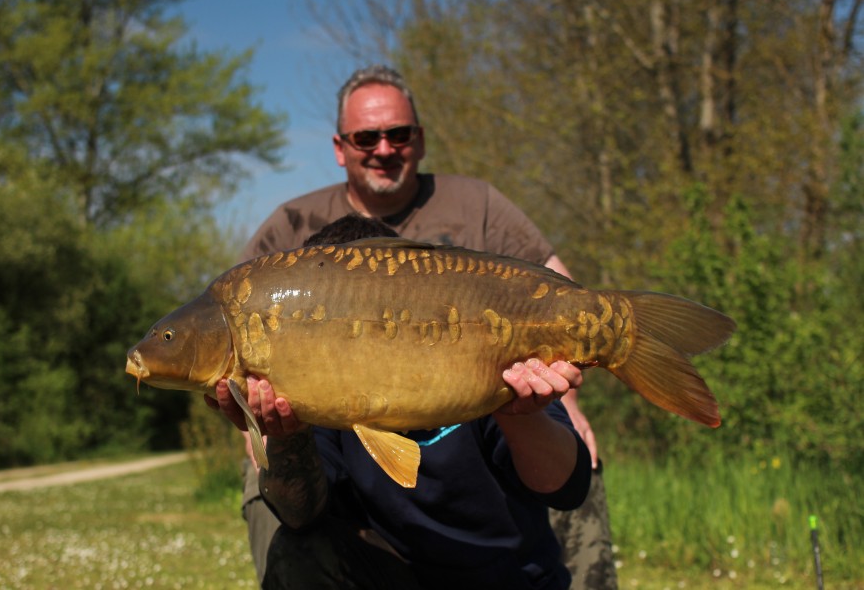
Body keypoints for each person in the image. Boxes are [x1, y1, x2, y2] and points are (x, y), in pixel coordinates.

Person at [208, 64, 616, 589]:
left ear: (419, 140)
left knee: (570, 452)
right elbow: (233, 320)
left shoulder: (478, 206)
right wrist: (270, 436)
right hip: (348, 437)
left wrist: (559, 395)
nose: (383, 147)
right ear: (340, 146)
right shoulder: (293, 226)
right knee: (284, 506)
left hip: (474, 372)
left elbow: (562, 294)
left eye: (398, 134)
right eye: (366, 136)